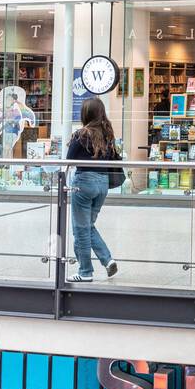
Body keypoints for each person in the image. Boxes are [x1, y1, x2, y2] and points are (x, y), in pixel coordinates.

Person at [66, 97, 121, 282]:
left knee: (80, 229)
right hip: (103, 183)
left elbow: (69, 158)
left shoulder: (81, 134)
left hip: (84, 183)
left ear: (85, 114)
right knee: (87, 226)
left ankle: (85, 272)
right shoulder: (107, 135)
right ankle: (107, 260)